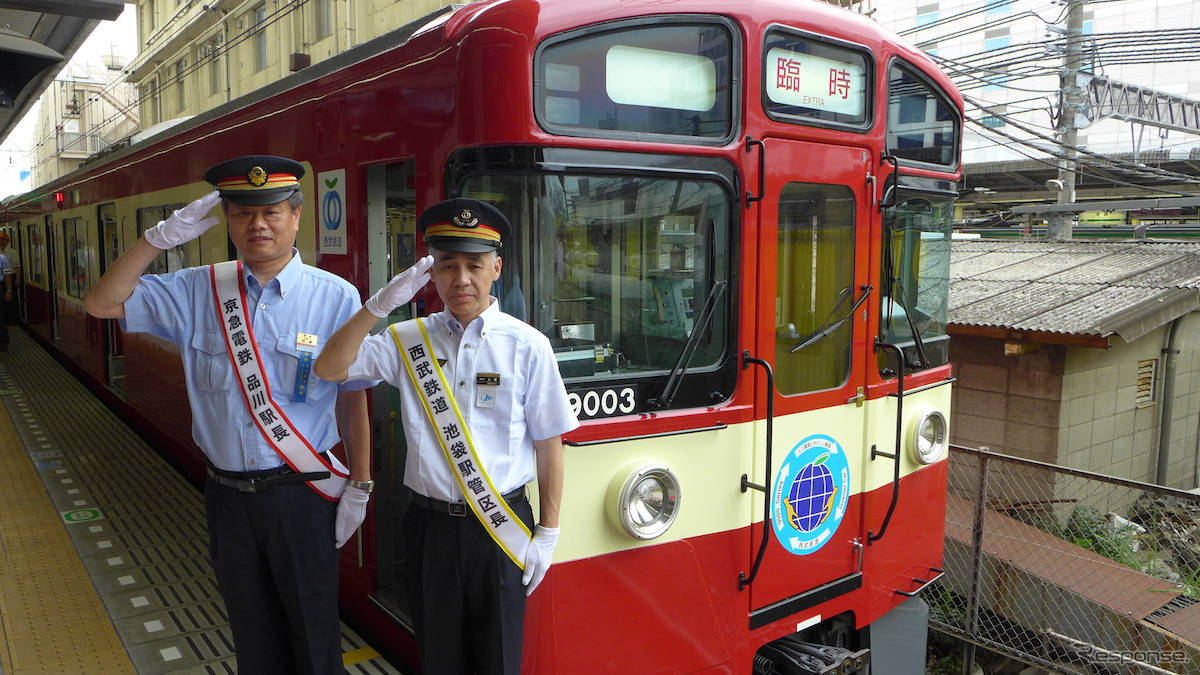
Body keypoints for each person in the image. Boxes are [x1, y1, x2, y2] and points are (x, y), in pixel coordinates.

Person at [83, 155, 374, 675]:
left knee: (314, 635)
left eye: (272, 212)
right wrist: (154, 241)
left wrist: (361, 483)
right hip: (227, 497)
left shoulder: (336, 298)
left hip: (302, 494)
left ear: (296, 216)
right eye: (241, 214)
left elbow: (352, 397)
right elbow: (101, 304)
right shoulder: (198, 289)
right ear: (229, 222)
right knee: (251, 635)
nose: (257, 224)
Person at [314, 198, 578, 675]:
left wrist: (549, 531)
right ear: (431, 274)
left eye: (475, 266)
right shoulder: (406, 339)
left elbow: (548, 444)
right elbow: (330, 366)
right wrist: (377, 307)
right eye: (447, 266)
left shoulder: (527, 346)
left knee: (497, 659)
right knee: (437, 657)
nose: (461, 279)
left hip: (501, 527)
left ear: (496, 268)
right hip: (429, 527)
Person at [0, 245, 11, 351]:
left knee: (0, 316)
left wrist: (8, 290)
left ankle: (3, 342)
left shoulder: (2, 258)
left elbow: (7, 275)